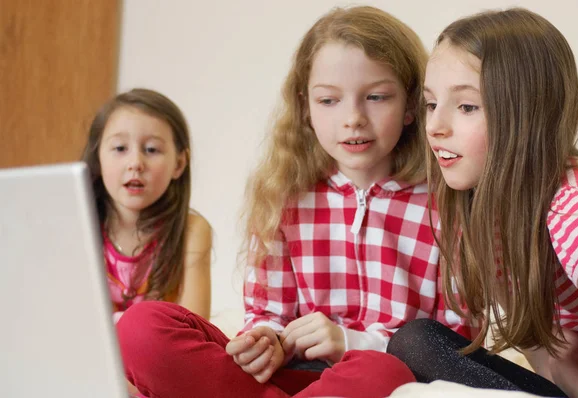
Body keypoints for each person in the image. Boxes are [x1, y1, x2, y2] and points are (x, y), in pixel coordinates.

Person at [115, 6, 473, 397]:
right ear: (305, 107)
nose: (353, 118)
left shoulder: (445, 202)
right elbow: (267, 314)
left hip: (376, 378)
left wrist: (348, 341)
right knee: (140, 325)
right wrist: (265, 340)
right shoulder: (283, 195)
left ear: (410, 106)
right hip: (289, 377)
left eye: (376, 96)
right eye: (328, 101)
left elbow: (453, 342)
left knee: (379, 372)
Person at [387, 8, 578, 398]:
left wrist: (575, 381)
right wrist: (565, 376)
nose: (435, 126)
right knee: (414, 342)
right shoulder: (484, 206)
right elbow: (541, 351)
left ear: (528, 116)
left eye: (467, 107)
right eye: (432, 104)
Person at [82, 89, 212, 396]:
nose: (135, 163)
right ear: (98, 157)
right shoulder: (80, 222)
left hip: (154, 376)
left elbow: (191, 334)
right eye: (119, 148)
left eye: (152, 149)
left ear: (179, 164)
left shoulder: (192, 230)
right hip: (91, 369)